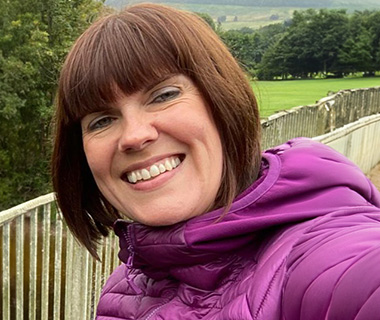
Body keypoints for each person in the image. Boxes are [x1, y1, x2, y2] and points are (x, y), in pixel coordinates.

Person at [52, 3, 380, 320]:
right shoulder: (126, 286)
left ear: (222, 99)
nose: (134, 136)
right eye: (101, 121)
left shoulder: (319, 255)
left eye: (164, 95)